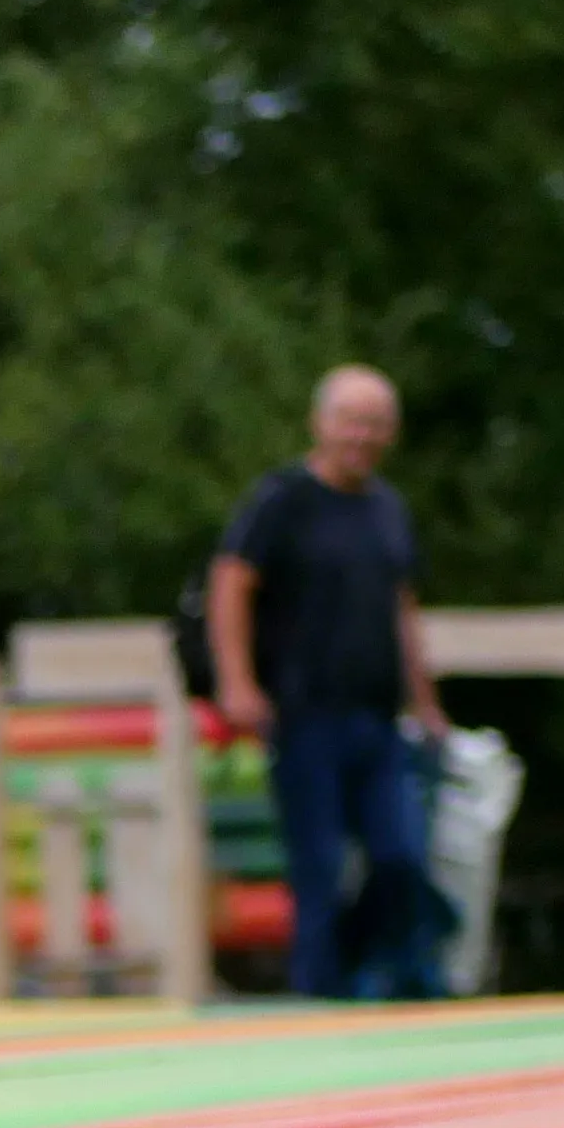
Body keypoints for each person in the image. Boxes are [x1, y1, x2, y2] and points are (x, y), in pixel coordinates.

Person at [208, 367, 452, 1000]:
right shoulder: (282, 500)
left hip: (378, 716)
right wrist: (237, 680)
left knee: (401, 855)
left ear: (390, 433)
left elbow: (403, 608)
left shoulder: (387, 509)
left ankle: (399, 984)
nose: (361, 435)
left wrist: (425, 702)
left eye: (374, 423)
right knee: (319, 870)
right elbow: (231, 580)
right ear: (321, 423)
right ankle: (320, 1000)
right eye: (350, 420)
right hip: (304, 712)